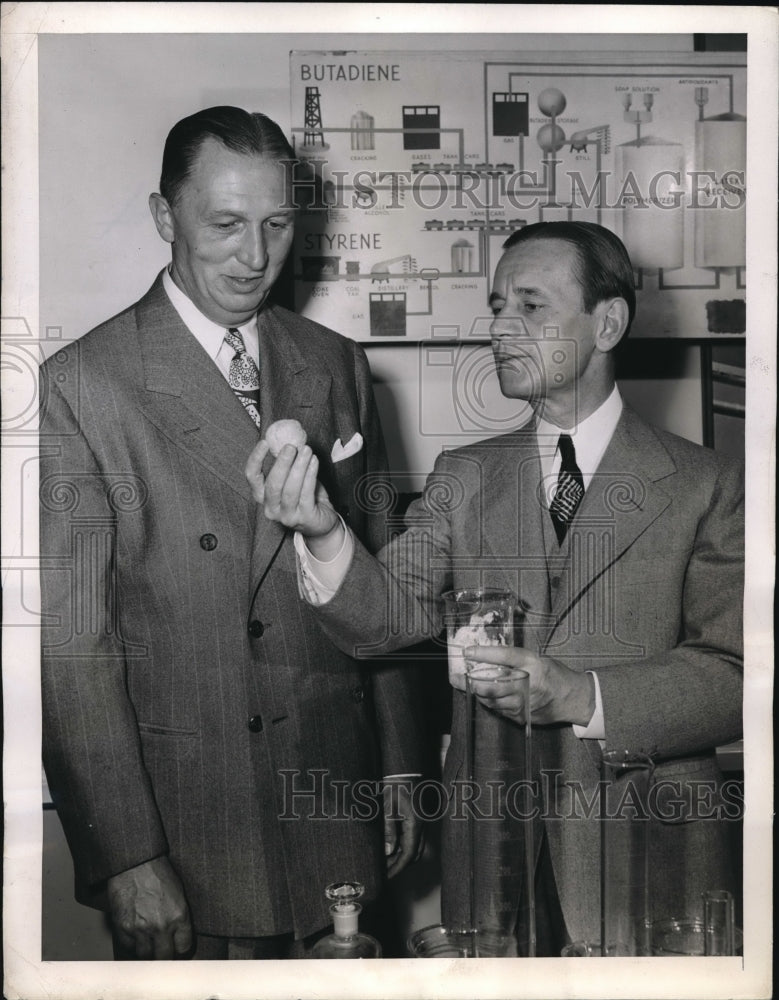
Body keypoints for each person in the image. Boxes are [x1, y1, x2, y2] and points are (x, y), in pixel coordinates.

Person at [247, 221, 744, 955]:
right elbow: (383, 621)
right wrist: (323, 532)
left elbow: (738, 674)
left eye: (531, 307)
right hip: (494, 864)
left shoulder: (706, 482)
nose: (500, 328)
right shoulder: (464, 475)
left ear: (606, 323)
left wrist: (581, 697)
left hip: (648, 856)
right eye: (495, 305)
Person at [39, 106, 424, 961]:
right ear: (162, 216)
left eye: (277, 225)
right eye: (224, 225)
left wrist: (399, 761)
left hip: (334, 799)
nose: (255, 258)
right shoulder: (83, 385)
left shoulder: (335, 361)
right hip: (191, 825)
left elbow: (386, 575)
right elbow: (73, 649)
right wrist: (127, 856)